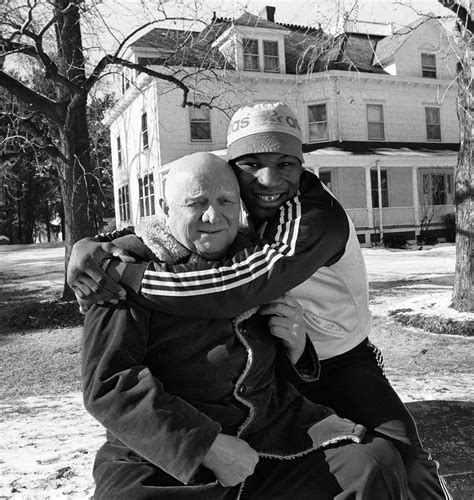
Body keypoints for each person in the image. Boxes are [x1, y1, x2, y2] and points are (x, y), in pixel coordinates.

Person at [70, 102, 451, 499]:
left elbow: (236, 287)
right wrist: (97, 247)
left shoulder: (313, 218)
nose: (269, 179)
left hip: (338, 361)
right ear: (233, 166)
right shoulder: (150, 251)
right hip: (188, 445)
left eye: (285, 163)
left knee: (400, 460)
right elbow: (110, 384)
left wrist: (126, 275)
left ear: (301, 165)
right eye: (252, 163)